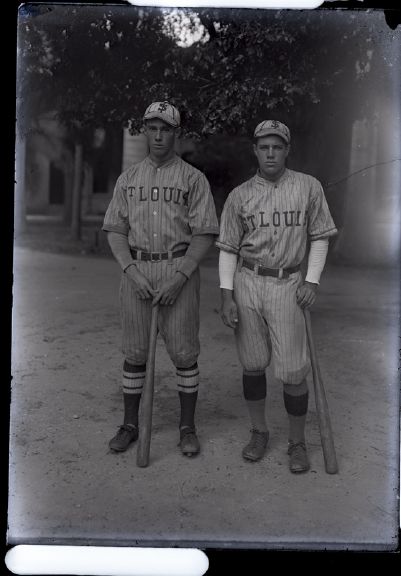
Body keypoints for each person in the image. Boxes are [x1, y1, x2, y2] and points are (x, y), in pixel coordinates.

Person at [216, 120, 337, 472]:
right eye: (264, 146)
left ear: (287, 149)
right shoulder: (240, 195)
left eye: (277, 146)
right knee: (253, 364)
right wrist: (227, 295)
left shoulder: (308, 187)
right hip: (248, 281)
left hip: (288, 283)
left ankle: (297, 443)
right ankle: (259, 431)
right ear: (255, 150)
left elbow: (320, 236)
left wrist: (311, 282)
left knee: (293, 371)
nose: (271, 153)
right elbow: (227, 248)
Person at [102, 101, 219, 457]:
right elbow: (116, 230)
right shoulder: (129, 178)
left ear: (175, 133)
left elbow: (204, 233)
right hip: (137, 271)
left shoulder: (193, 178)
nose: (158, 135)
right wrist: (131, 271)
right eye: (152, 127)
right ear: (144, 130)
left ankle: (187, 428)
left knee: (184, 353)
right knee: (135, 352)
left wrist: (180, 276)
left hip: (177, 270)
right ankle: (130, 425)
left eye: (165, 128)